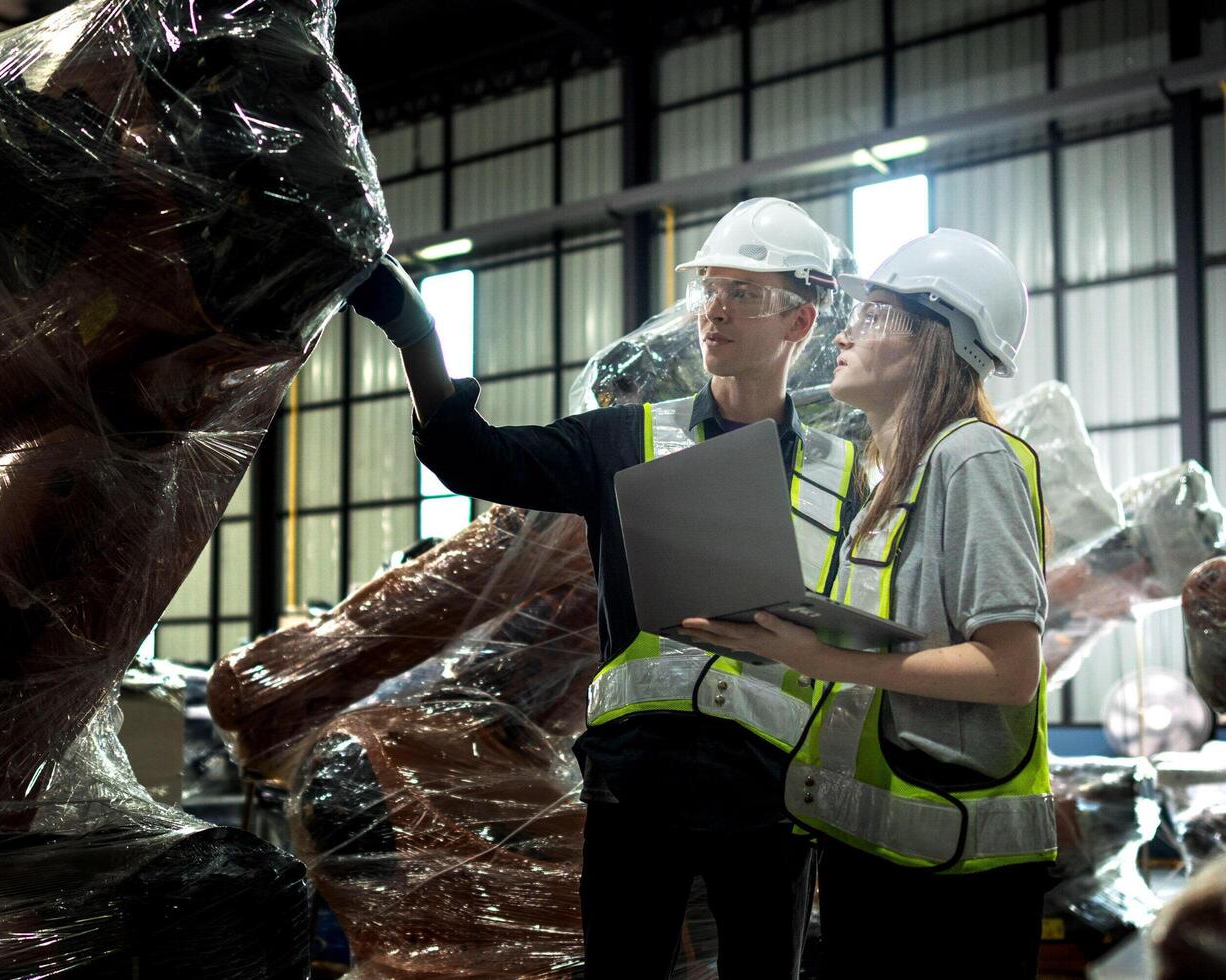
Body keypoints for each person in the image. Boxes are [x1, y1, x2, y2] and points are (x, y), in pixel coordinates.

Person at [349, 198, 862, 978]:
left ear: (800, 322)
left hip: (770, 795)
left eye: (743, 295)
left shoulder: (844, 478)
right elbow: (468, 456)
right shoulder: (627, 442)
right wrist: (412, 327)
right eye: (710, 290)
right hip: (638, 785)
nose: (714, 312)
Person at [680, 228, 1055, 978]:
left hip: (956, 888)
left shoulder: (972, 456)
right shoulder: (892, 482)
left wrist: (820, 656)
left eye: (874, 317)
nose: (845, 332)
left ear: (932, 341)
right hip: (878, 857)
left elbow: (1010, 669)